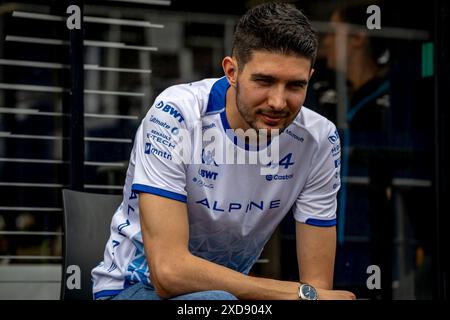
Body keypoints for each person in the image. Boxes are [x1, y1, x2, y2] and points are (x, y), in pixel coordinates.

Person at [91, 2, 356, 300]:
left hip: (231, 298)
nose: (279, 102)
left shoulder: (319, 139)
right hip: (132, 289)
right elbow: (168, 273)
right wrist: (296, 293)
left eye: (295, 85)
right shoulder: (177, 115)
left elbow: (318, 289)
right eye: (264, 81)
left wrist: (305, 295)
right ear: (231, 71)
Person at [319, 3, 393, 299]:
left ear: (358, 38)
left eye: (333, 33)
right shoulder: (326, 94)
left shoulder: (393, 97)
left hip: (375, 238)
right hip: (324, 237)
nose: (326, 42)